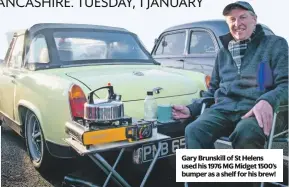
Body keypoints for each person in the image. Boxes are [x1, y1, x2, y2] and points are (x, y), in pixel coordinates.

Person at [172, 1, 288, 150]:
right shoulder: (223, 53)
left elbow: (286, 84)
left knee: (246, 132)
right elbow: (212, 90)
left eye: (242, 17)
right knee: (194, 130)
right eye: (232, 19)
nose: (237, 23)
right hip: (225, 110)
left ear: (254, 19)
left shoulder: (275, 44)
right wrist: (191, 109)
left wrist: (268, 100)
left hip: (257, 110)